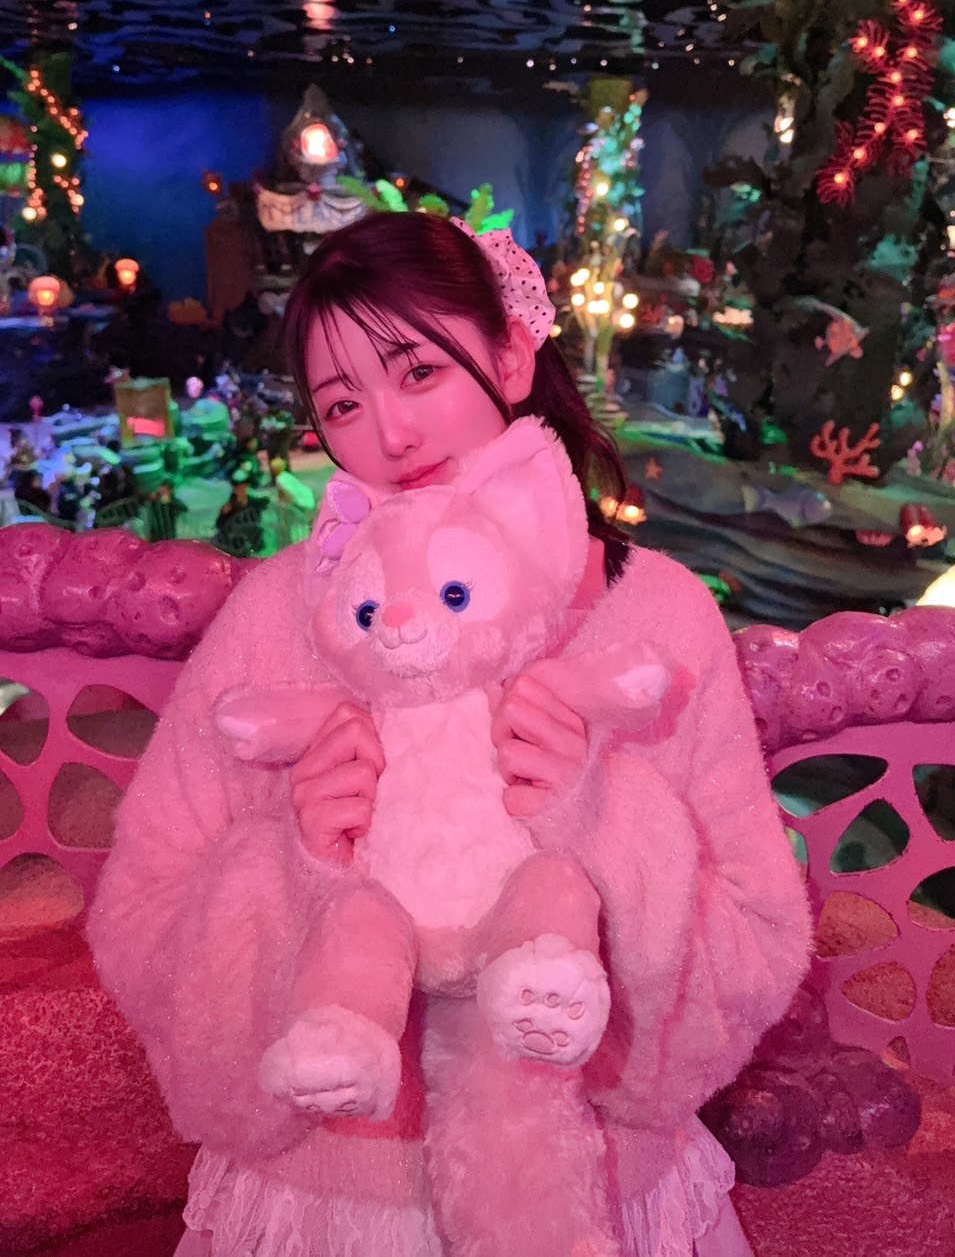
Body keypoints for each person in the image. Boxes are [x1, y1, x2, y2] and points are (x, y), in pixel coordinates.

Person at [88, 213, 810, 1257]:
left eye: (418, 371)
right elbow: (140, 921)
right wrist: (294, 865)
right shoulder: (282, 614)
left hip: (602, 1196)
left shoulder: (657, 616)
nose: (392, 435)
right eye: (344, 402)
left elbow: (758, 944)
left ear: (511, 355)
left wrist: (603, 820)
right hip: (323, 1205)